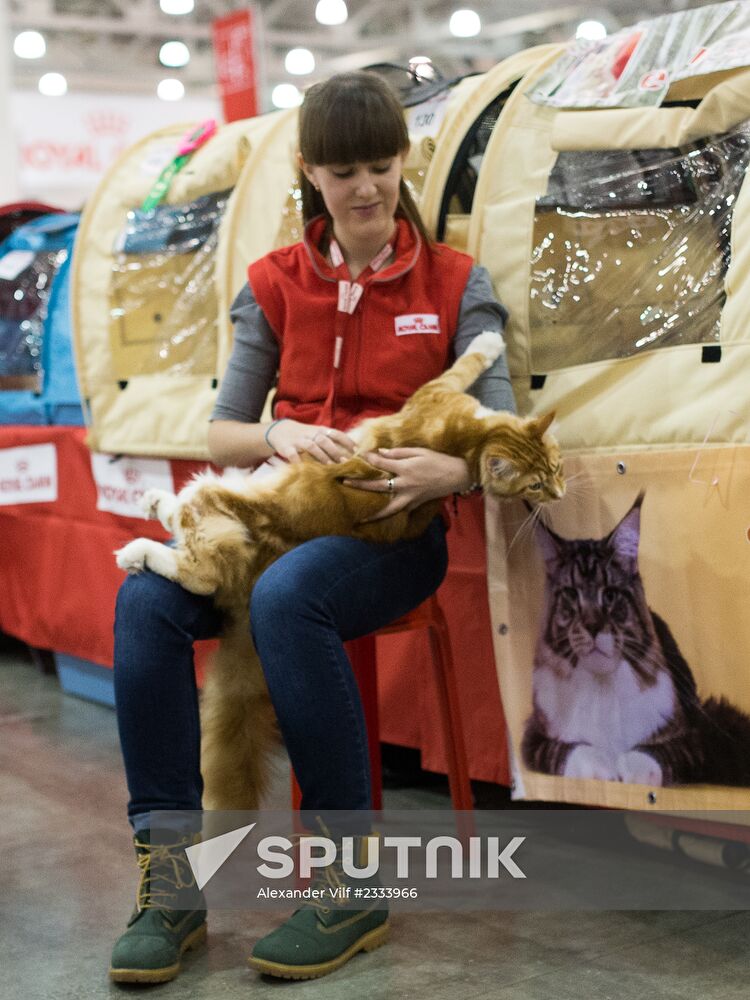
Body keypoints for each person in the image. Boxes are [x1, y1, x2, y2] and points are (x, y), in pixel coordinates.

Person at [109, 70, 515, 984]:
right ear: (310, 173)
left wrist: (450, 470)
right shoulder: (274, 283)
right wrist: (277, 431)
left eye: (380, 165)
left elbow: (499, 429)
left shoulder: (458, 282)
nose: (366, 188)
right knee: (144, 602)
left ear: (403, 162)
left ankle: (352, 877)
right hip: (270, 522)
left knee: (292, 600)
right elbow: (222, 429)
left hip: (392, 540)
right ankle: (171, 883)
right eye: (343, 172)